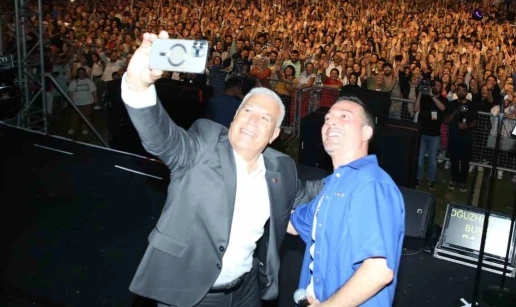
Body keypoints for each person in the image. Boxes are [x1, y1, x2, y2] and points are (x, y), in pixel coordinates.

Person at [122, 31, 320, 307]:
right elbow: (163, 139)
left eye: (265, 119)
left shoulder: (281, 168)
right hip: (189, 295)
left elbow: (310, 192)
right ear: (235, 116)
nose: (252, 122)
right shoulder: (204, 144)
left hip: (247, 291)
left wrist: (356, 174)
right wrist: (138, 85)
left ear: (274, 134)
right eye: (247, 111)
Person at [287, 96, 405, 306]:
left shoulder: (370, 184)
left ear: (366, 133)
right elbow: (293, 224)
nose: (331, 122)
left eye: (344, 117)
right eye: (328, 118)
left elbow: (378, 270)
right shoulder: (332, 186)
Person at [414, 78, 446, 190]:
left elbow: (443, 108)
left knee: (433, 160)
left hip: (434, 135)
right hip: (422, 133)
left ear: (441, 88)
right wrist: (420, 93)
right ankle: (418, 178)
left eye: (438, 85)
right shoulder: (424, 97)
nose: (435, 87)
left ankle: (431, 180)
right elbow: (416, 108)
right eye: (434, 85)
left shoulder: (443, 99)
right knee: (419, 159)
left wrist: (432, 96)